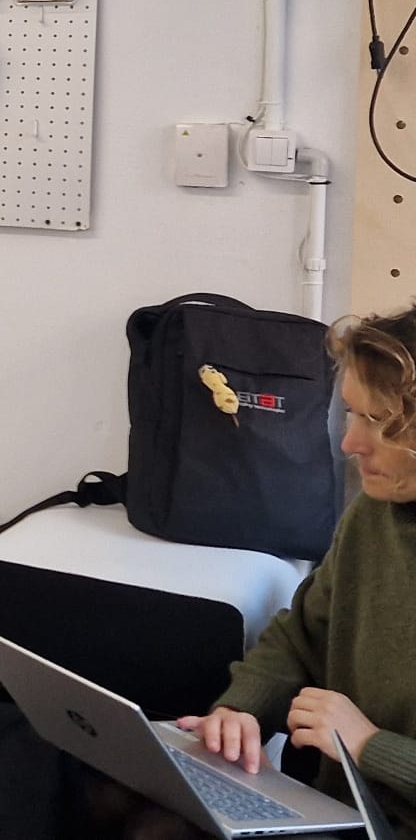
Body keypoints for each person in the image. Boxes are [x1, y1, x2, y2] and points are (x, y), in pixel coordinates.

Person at [175, 305, 416, 837]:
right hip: (346, 815)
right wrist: (241, 712)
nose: (350, 444)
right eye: (351, 414)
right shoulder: (374, 513)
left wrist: (370, 746)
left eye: (377, 422)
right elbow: (301, 635)